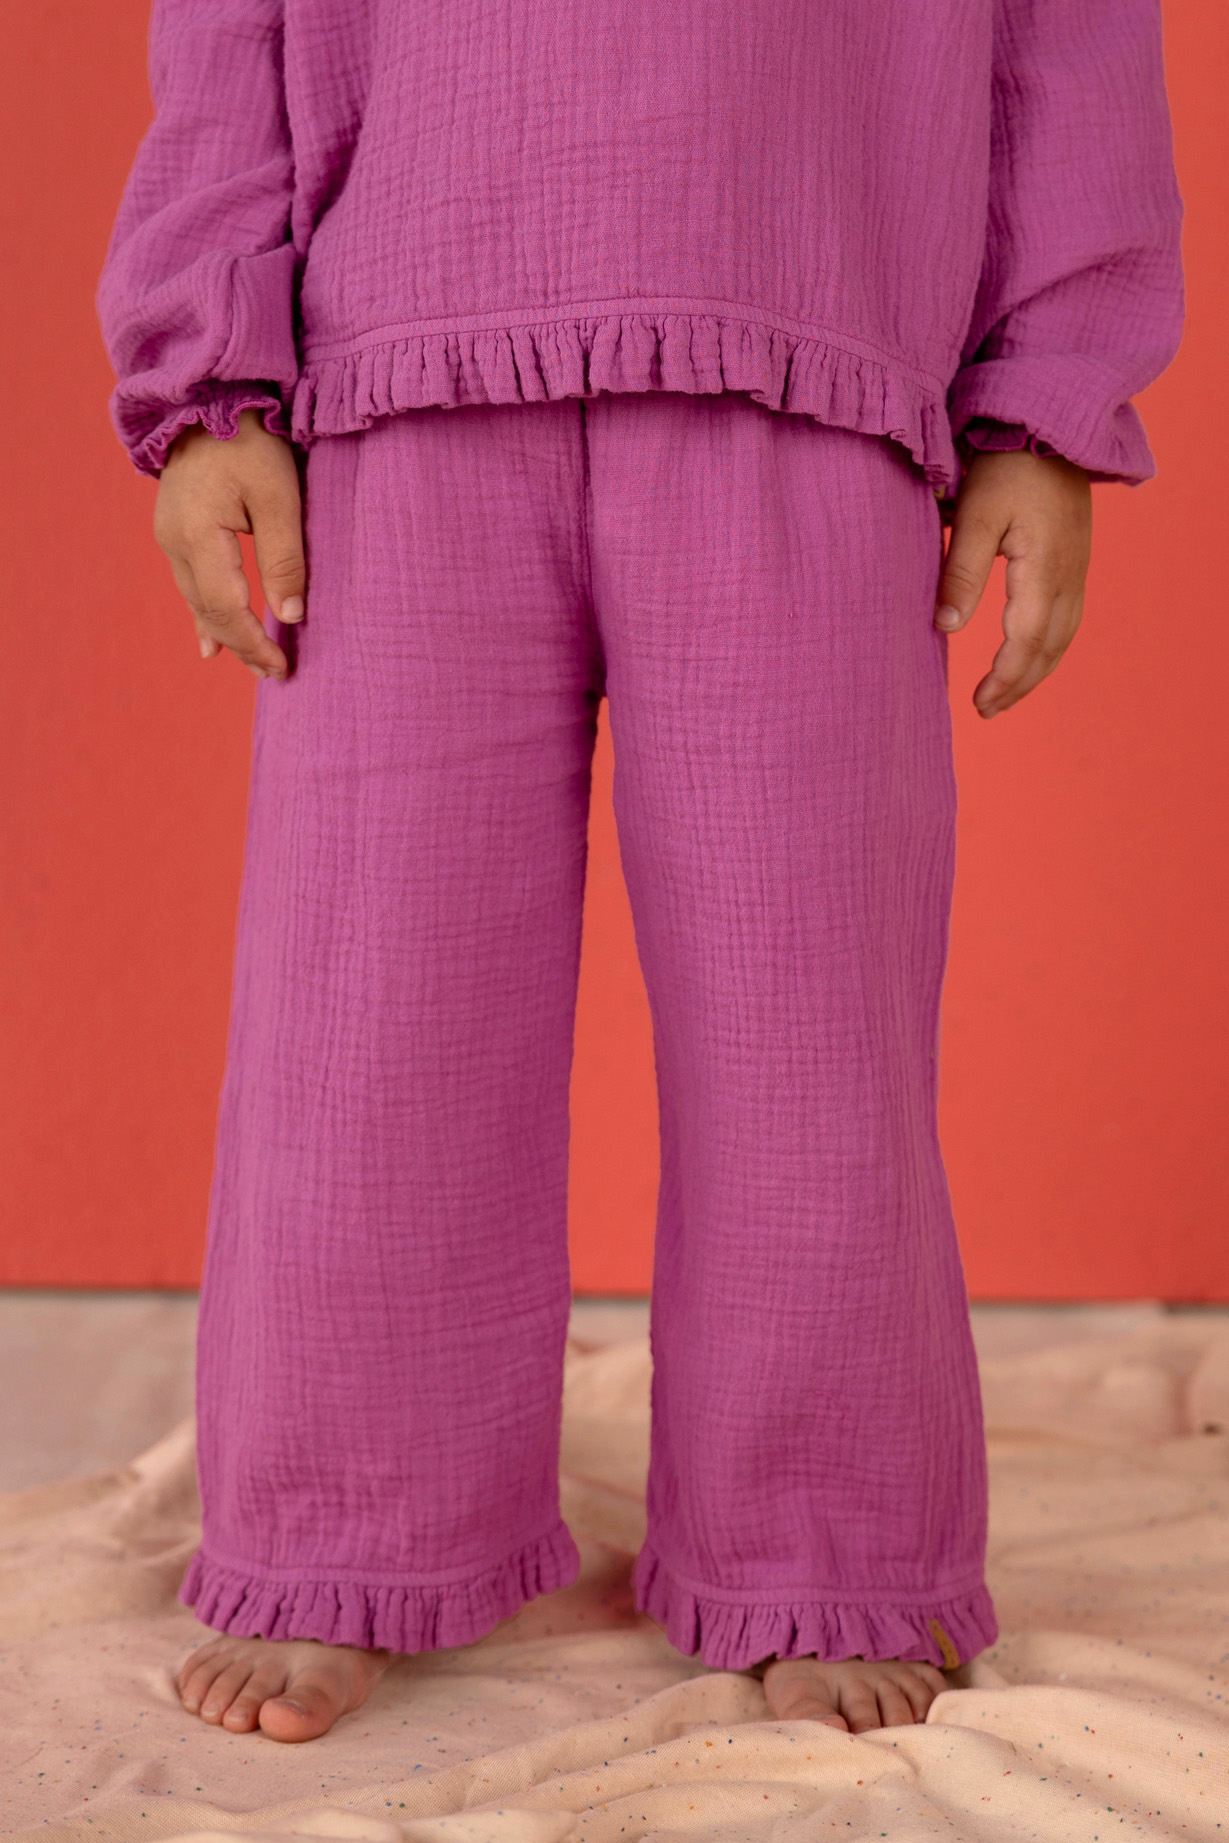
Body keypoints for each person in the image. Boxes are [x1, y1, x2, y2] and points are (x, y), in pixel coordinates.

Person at [95, 0, 1184, 1745]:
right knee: (367, 1020)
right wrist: (209, 376)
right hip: (400, 348)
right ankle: (342, 1531)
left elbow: (1065, 31)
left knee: (807, 1023)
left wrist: (1048, 406)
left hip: (806, 335)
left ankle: (822, 1542)